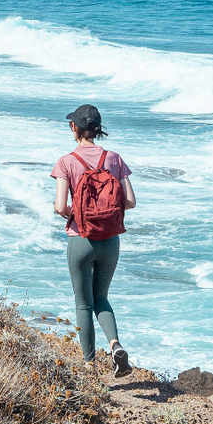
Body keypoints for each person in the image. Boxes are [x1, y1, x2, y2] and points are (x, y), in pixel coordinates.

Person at [52, 103, 136, 375]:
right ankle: (115, 345)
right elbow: (131, 202)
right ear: (98, 130)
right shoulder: (114, 158)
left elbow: (59, 205)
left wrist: (77, 214)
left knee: (83, 303)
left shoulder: (67, 161)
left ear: (74, 128)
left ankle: (89, 367)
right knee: (102, 298)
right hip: (111, 240)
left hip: (81, 238)